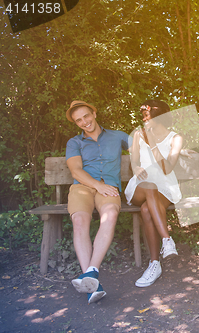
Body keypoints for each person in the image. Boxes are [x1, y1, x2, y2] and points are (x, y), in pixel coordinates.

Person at [65, 100, 129, 303]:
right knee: (80, 221)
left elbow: (143, 148)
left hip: (108, 186)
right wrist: (96, 185)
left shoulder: (118, 136)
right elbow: (75, 170)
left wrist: (175, 149)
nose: (84, 122)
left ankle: (90, 275)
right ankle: (92, 280)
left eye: (86, 116)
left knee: (110, 215)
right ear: (76, 123)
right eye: (79, 120)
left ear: (94, 111)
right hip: (82, 187)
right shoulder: (75, 142)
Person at [124, 100, 183, 287]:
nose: (143, 119)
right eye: (143, 116)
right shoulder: (137, 135)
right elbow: (133, 162)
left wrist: (152, 142)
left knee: (147, 210)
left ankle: (154, 264)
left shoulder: (176, 138)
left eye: (147, 116)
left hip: (165, 185)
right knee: (149, 185)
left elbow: (167, 168)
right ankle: (167, 239)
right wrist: (136, 168)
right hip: (141, 185)